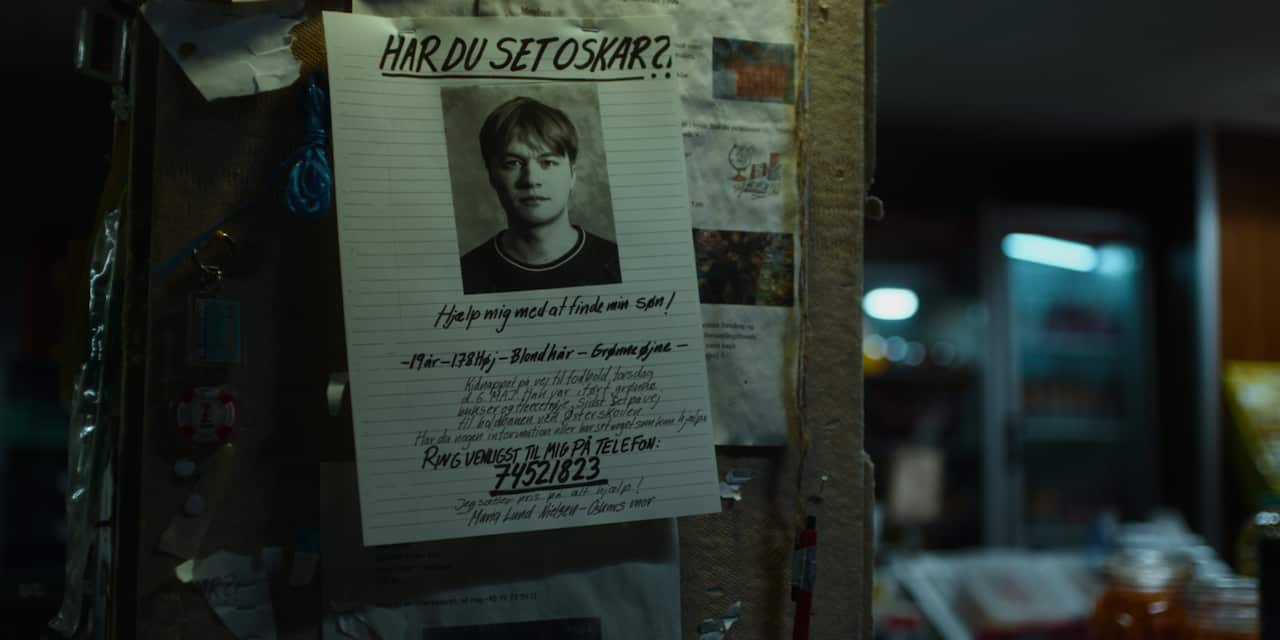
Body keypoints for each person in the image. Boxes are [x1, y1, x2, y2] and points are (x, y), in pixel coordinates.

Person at [459, 96, 622, 294]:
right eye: (513, 163)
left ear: (572, 174)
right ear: (492, 176)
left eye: (548, 162)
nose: (531, 180)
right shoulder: (466, 275)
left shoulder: (616, 263)